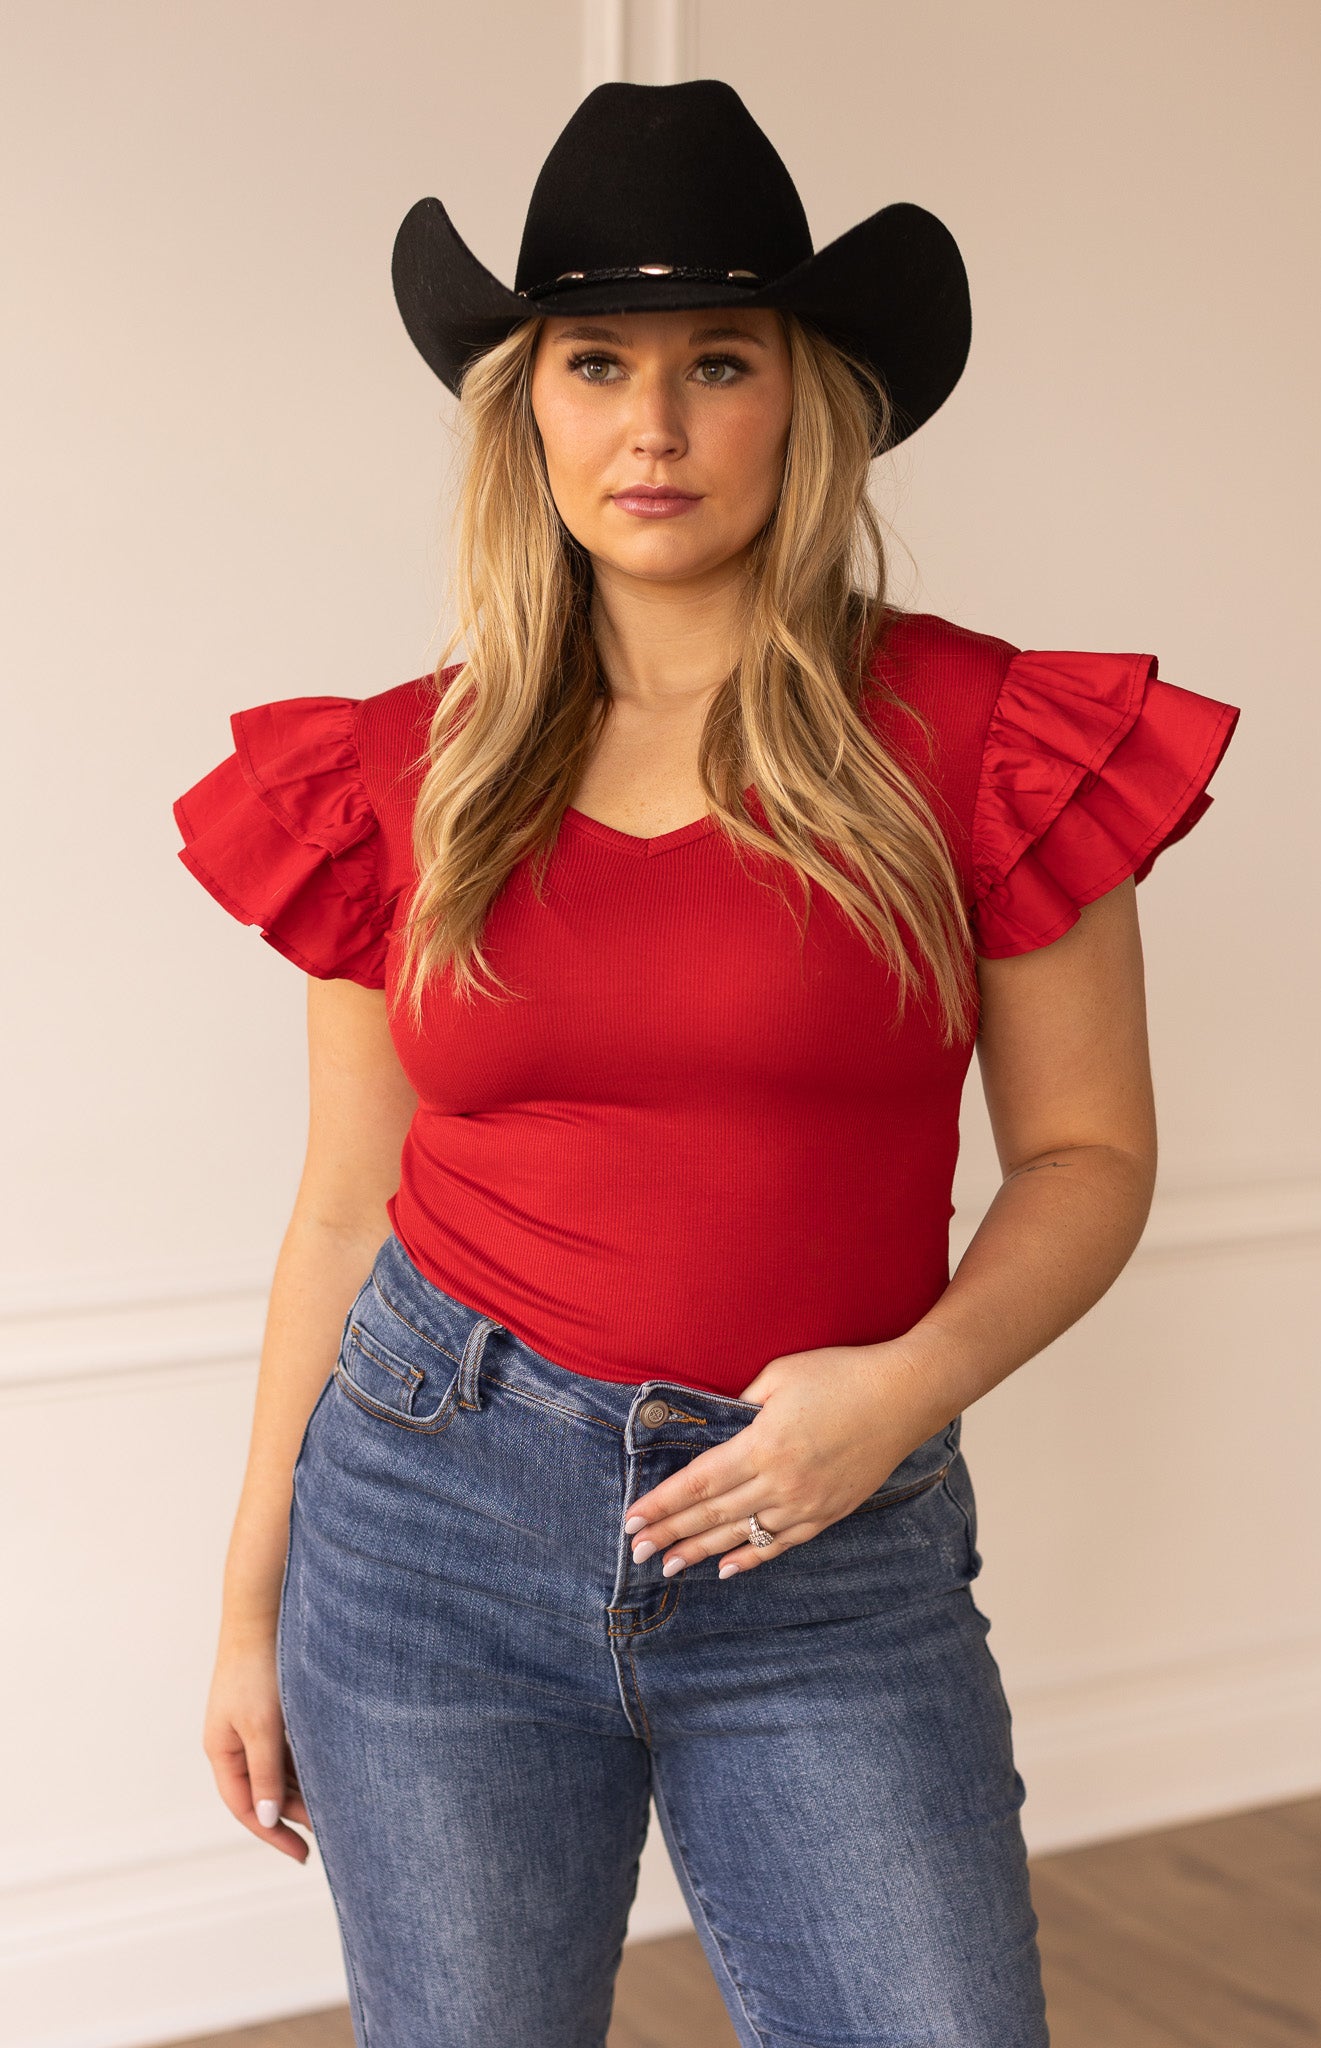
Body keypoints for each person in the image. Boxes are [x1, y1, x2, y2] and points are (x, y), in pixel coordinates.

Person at [172, 79, 1241, 2048]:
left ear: (801, 401)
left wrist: (899, 1389)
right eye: (595, 364)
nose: (650, 426)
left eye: (716, 362)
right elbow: (339, 1209)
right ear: (529, 409)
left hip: (826, 1535)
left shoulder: (985, 738)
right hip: (426, 1525)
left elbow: (1086, 1156)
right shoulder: (400, 773)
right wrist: (247, 1611)